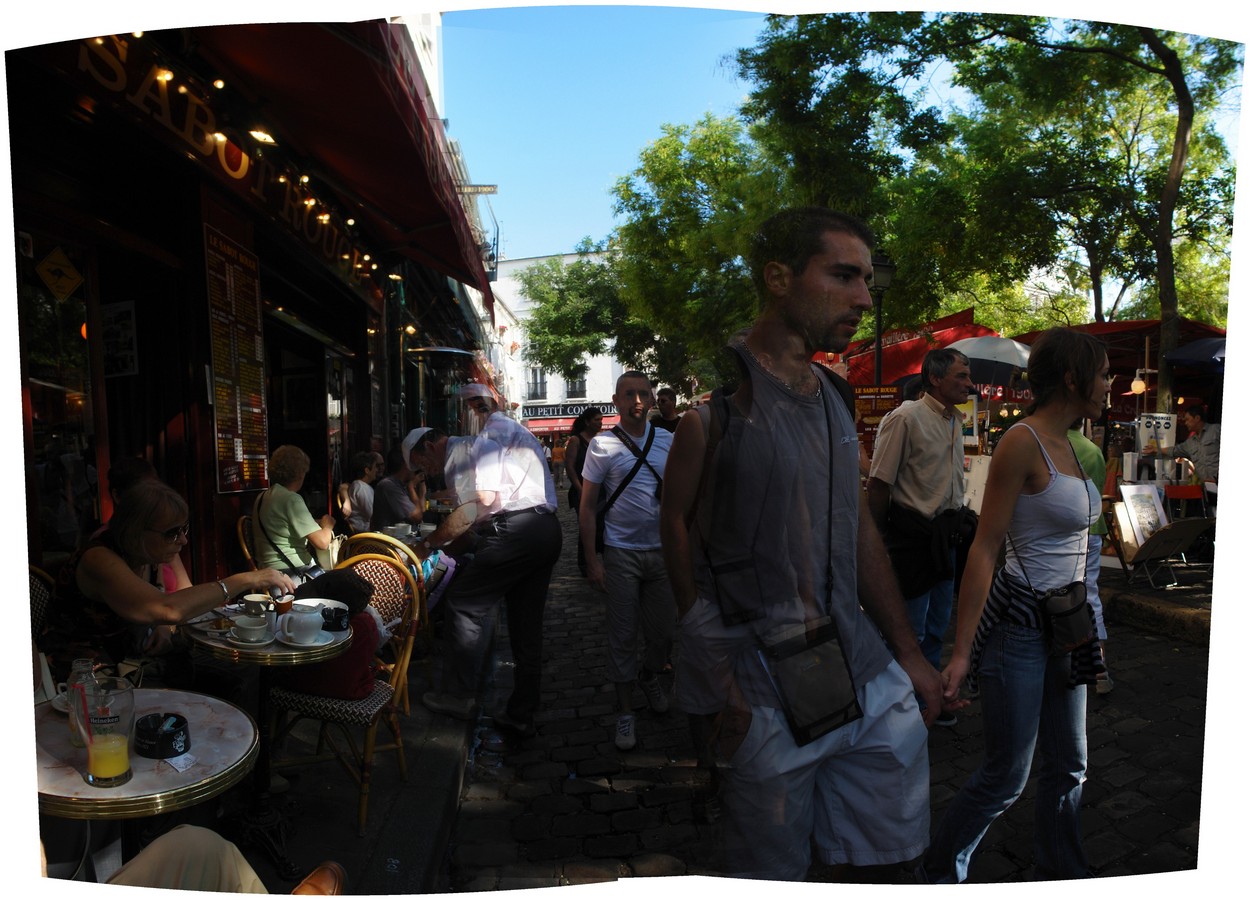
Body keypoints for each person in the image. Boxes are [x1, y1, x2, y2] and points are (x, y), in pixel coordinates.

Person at [660, 207, 942, 882]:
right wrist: (717, 681)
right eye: (844, 275)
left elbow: (857, 527)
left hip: (868, 678)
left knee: (891, 866)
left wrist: (908, 654)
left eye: (867, 279)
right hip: (764, 691)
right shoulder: (712, 421)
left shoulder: (837, 398)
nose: (865, 298)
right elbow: (674, 528)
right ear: (780, 278)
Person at [919, 327, 1110, 883]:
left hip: (1069, 626)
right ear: (1073, 378)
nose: (1108, 383)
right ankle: (938, 874)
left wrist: (1093, 625)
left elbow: (1083, 551)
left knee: (1070, 765)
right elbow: (984, 550)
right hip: (1020, 628)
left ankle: (1063, 869)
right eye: (1101, 373)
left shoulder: (1078, 446)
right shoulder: (1021, 441)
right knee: (1006, 775)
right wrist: (960, 653)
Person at [38, 478, 295, 682]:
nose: (183, 540)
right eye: (172, 533)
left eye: (184, 529)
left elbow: (163, 607)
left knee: (244, 668)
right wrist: (245, 579)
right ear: (135, 531)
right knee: (234, 675)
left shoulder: (146, 553)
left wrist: (160, 626)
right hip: (87, 676)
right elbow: (167, 608)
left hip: (132, 657)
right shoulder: (99, 559)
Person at [415, 384, 562, 735]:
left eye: (422, 463)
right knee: (526, 625)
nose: (426, 471)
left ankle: (460, 696)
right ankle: (522, 712)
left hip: (518, 531)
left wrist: (429, 545)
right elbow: (475, 516)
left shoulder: (486, 440)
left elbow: (479, 503)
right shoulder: (511, 432)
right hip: (545, 530)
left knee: (464, 602)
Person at [867, 347, 974, 727]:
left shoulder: (955, 421)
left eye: (967, 376)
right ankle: (893, 706)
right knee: (906, 628)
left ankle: (924, 700)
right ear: (935, 378)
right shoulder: (906, 418)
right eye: (960, 376)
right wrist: (877, 538)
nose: (968, 383)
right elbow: (879, 484)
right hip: (911, 538)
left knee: (936, 624)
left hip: (945, 537)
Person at [579, 371, 676, 751]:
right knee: (622, 635)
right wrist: (593, 560)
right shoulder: (601, 445)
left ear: (652, 400)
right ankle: (625, 712)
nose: (637, 400)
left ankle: (651, 675)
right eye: (629, 394)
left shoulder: (668, 440)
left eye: (643, 394)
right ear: (616, 401)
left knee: (664, 635)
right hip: (621, 554)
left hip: (662, 553)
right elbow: (587, 509)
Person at [1068, 422, 1113, 694]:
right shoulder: (1093, 450)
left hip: (1068, 529)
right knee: (1090, 595)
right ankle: (1100, 668)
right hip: (1093, 529)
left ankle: (1070, 661)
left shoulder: (1054, 444)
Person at [253, 445, 336, 578]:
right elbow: (323, 543)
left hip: (266, 570)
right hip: (292, 573)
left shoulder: (263, 496)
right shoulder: (291, 499)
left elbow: (285, 524)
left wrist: (315, 523)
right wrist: (328, 525)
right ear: (300, 474)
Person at [564, 407, 605, 577]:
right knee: (585, 525)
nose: (600, 423)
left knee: (601, 525)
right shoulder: (576, 440)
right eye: (596, 419)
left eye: (601, 420)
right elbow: (570, 467)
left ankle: (598, 558)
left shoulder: (599, 440)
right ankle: (585, 563)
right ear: (587, 421)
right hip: (581, 489)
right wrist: (579, 488)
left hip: (599, 490)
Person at [1144, 404, 1220, 485]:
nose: (1185, 423)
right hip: (1206, 487)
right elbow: (1174, 450)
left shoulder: (1216, 430)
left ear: (1197, 418)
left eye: (1187, 419)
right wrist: (1156, 449)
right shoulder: (1190, 443)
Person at [369, 440, 427, 532]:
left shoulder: (402, 484)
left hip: (404, 539)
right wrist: (411, 487)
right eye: (413, 463)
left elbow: (422, 510)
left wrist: (422, 491)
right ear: (406, 465)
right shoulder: (389, 486)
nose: (417, 467)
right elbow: (417, 516)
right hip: (390, 543)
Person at [344, 450, 384, 534]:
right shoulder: (361, 487)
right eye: (375, 467)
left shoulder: (359, 485)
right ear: (367, 470)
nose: (377, 470)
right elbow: (373, 514)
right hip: (364, 535)